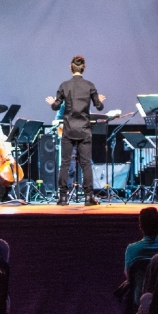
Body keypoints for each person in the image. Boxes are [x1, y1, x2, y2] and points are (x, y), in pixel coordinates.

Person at [46, 55, 106, 206]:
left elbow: (55, 106)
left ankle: (63, 198)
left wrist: (53, 103)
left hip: (68, 129)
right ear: (84, 68)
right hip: (84, 130)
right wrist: (100, 100)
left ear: (70, 67)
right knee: (86, 164)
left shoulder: (64, 85)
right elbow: (99, 107)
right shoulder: (89, 85)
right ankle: (88, 198)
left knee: (65, 163)